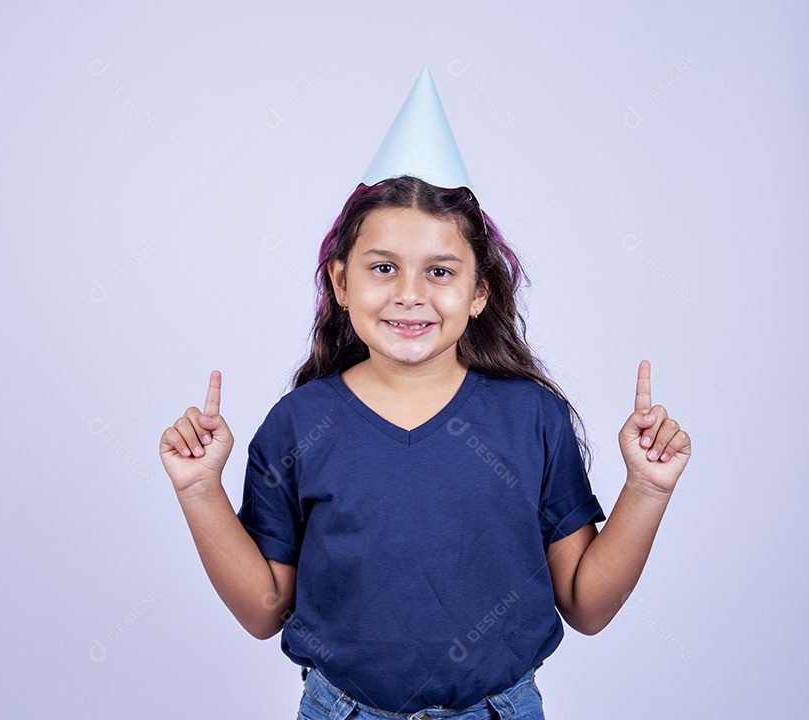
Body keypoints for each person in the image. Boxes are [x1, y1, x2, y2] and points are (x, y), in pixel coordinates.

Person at [159, 71, 691, 720]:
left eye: (439, 271)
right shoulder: (301, 424)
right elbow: (266, 609)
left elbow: (585, 604)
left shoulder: (530, 417)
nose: (410, 292)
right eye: (383, 267)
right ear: (342, 281)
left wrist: (647, 489)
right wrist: (199, 490)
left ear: (478, 292)